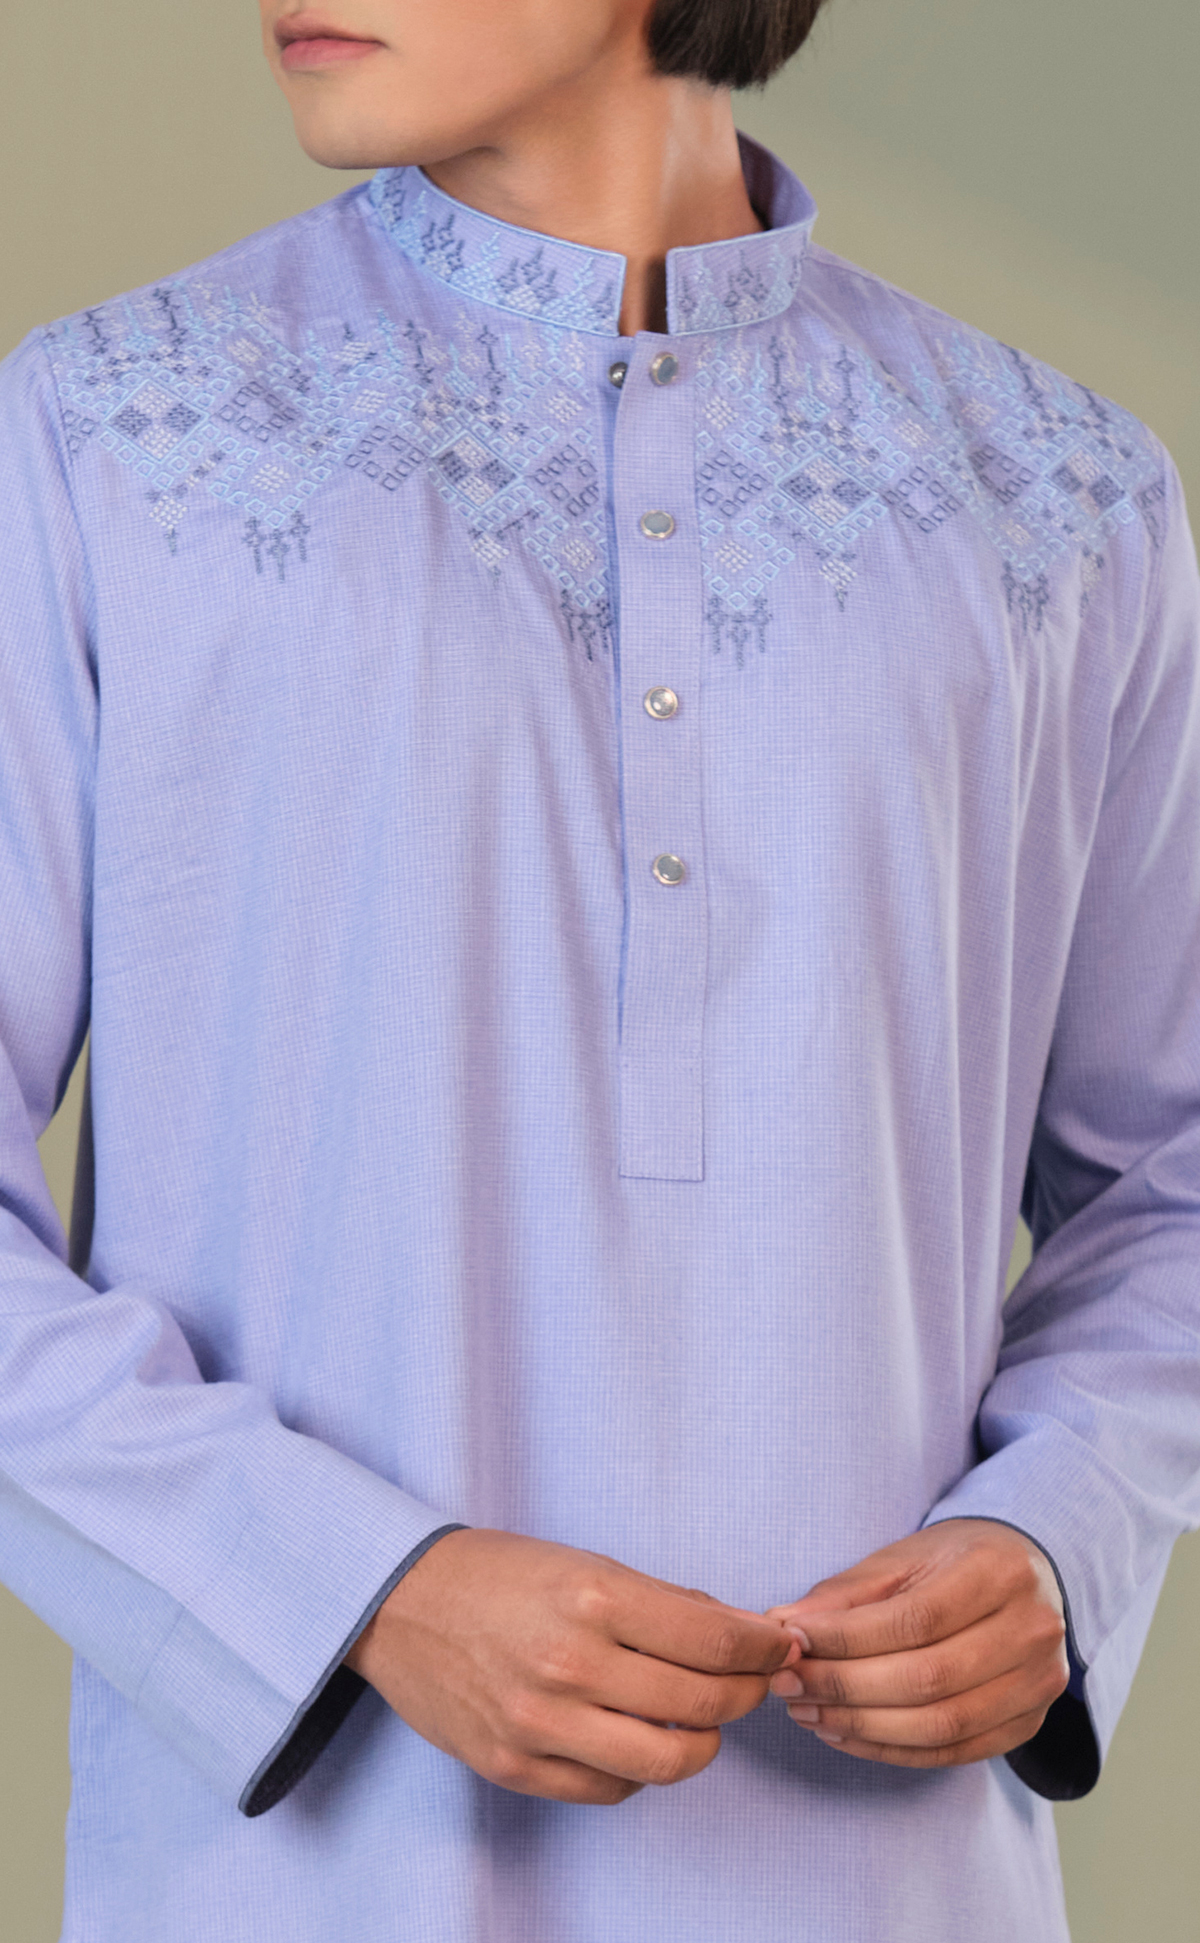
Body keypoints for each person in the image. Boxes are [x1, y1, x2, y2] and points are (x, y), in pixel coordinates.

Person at [1, 0, 1197, 1936]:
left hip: (893, 1883)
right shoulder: (107, 441)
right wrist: (347, 1588)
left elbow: (1175, 1180)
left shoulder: (1059, 503)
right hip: (312, 1892)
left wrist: (1058, 1536)